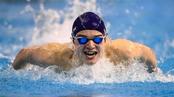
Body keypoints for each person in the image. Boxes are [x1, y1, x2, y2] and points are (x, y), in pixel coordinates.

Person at [12, 12, 157, 73]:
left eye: (97, 39)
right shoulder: (55, 57)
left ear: (105, 41)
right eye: (82, 39)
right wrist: (14, 74)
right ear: (73, 42)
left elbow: (148, 53)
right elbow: (25, 54)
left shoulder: (125, 52)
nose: (90, 45)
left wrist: (153, 73)